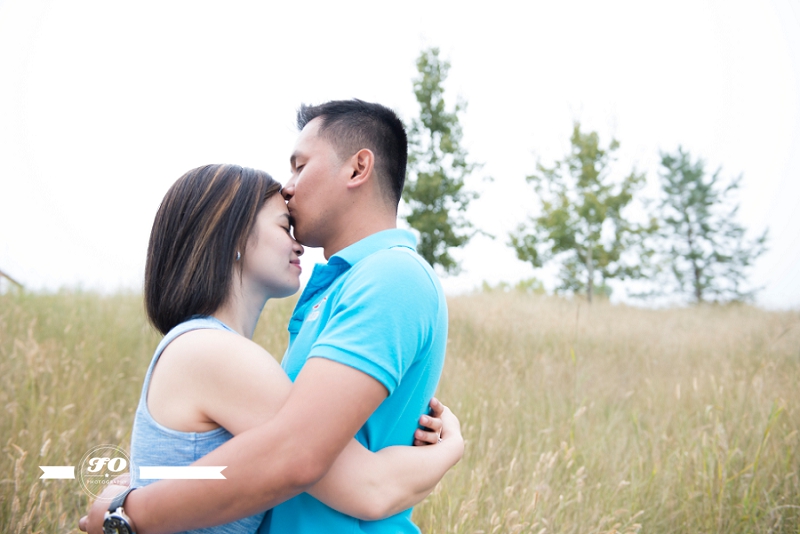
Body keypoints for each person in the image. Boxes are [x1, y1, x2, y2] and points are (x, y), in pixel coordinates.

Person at [82, 100, 456, 533]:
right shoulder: (218, 347)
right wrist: (447, 451)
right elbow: (319, 464)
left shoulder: (391, 275)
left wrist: (128, 510)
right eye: (281, 226)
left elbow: (303, 458)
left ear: (357, 169)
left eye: (300, 166)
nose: (290, 186)